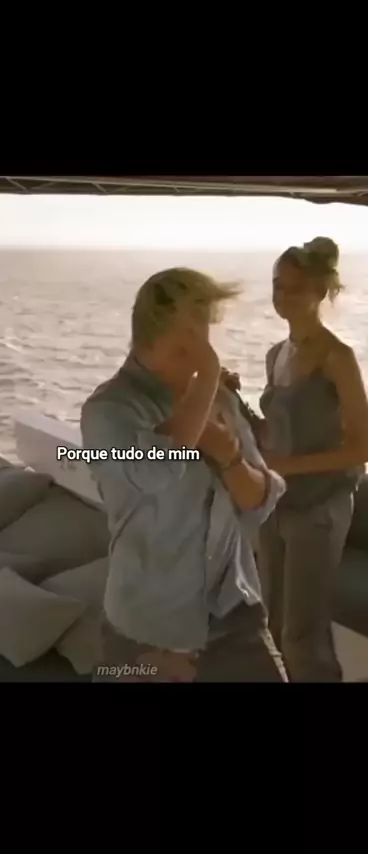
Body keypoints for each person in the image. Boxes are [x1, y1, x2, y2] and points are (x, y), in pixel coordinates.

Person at [81, 267, 287, 682]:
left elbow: (259, 504)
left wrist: (229, 457)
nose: (204, 340)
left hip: (234, 614)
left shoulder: (220, 401)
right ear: (155, 329)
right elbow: (156, 472)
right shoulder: (108, 412)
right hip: (148, 630)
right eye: (195, 327)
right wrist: (208, 376)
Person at [256, 237, 368, 682]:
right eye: (278, 285)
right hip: (276, 503)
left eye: (296, 287)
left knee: (303, 636)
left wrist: (285, 467)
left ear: (320, 291)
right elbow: (280, 434)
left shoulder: (338, 357)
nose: (283, 296)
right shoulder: (275, 354)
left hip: (320, 508)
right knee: (271, 624)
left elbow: (362, 447)